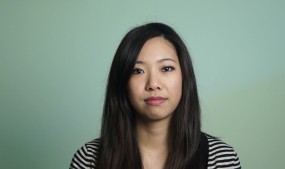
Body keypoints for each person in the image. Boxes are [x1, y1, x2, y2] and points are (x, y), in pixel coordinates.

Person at [69, 22, 241, 169]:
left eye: (166, 68)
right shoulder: (88, 160)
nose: (153, 84)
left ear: (184, 77)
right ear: (122, 82)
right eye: (137, 71)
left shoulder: (221, 160)